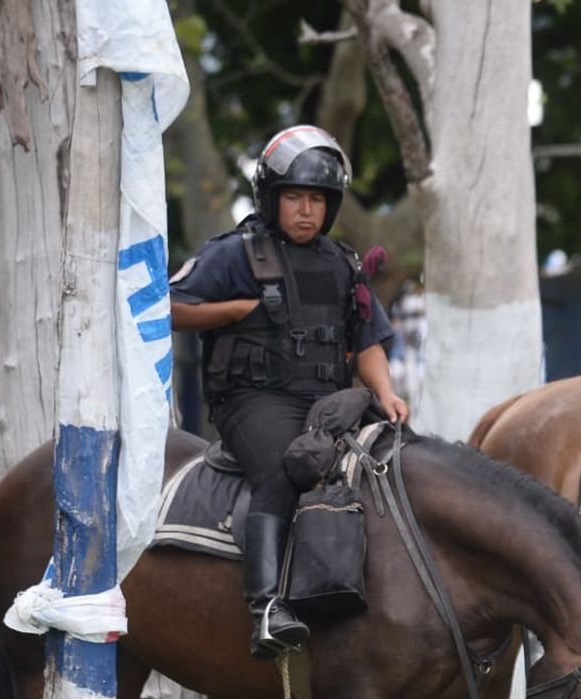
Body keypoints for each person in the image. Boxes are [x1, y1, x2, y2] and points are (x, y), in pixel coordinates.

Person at [170, 125, 409, 658]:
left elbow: (367, 340)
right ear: (271, 198)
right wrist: (234, 311)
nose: (307, 210)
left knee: (396, 466)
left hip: (327, 402)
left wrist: (387, 393)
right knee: (287, 468)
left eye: (318, 200)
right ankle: (268, 609)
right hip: (253, 402)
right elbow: (169, 306)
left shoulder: (344, 264)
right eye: (295, 197)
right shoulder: (235, 253)